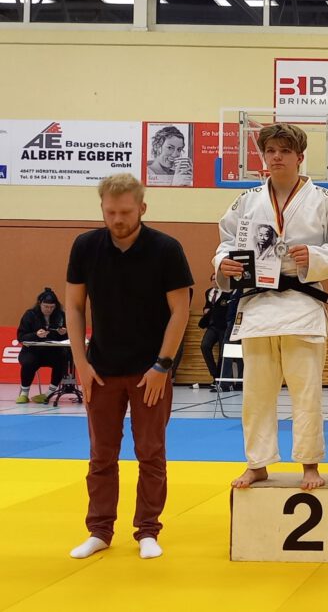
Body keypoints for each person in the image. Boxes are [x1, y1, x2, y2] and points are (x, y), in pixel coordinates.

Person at [215, 123, 328, 491]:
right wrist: (223, 263)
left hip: (301, 304)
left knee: (306, 393)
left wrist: (315, 255)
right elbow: (226, 242)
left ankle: (309, 464)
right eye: (271, 151)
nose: (276, 157)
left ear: (300, 157)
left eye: (284, 151)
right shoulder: (247, 200)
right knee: (256, 393)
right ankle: (257, 463)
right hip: (258, 304)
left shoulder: (324, 200)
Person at [65, 173, 193, 560]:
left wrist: (162, 366)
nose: (117, 219)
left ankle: (148, 530)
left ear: (142, 208)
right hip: (101, 369)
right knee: (101, 455)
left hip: (149, 371)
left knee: (150, 453)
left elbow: (181, 310)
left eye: (125, 212)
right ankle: (100, 530)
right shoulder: (85, 246)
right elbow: (74, 306)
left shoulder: (166, 249)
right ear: (102, 209)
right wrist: (81, 363)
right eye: (110, 212)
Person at [16, 287, 69, 404]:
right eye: (46, 306)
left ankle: (49, 393)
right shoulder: (30, 315)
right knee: (28, 362)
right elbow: (21, 336)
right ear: (40, 304)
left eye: (52, 307)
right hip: (32, 351)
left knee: (64, 359)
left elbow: (68, 338)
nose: (49, 309)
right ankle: (24, 393)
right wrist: (35, 335)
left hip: (52, 351)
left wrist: (65, 333)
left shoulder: (61, 315)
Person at [199, 274, 232, 391]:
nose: (215, 281)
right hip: (212, 326)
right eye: (213, 279)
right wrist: (205, 310)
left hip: (224, 326)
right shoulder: (208, 292)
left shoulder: (228, 292)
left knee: (223, 353)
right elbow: (208, 306)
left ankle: (220, 379)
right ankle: (215, 375)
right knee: (205, 346)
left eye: (217, 279)